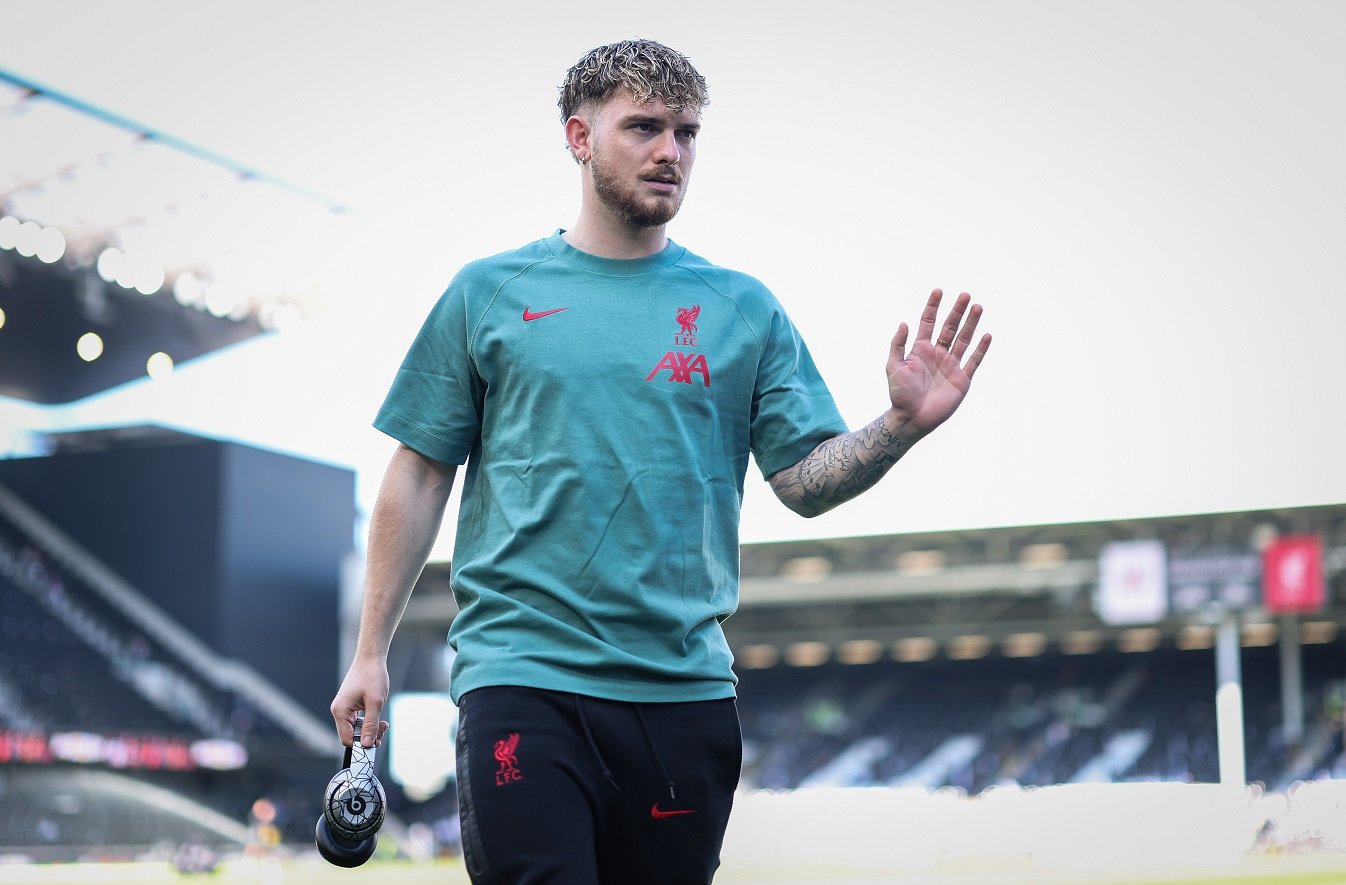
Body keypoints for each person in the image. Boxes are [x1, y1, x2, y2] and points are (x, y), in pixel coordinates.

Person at [330, 38, 991, 884]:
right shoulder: (488, 292)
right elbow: (420, 472)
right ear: (578, 136)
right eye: (643, 126)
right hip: (523, 680)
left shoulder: (742, 309)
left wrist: (900, 425)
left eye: (686, 132)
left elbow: (804, 483)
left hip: (685, 697)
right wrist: (370, 652)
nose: (669, 152)